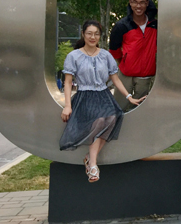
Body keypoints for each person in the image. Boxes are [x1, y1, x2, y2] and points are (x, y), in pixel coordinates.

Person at [60, 20, 145, 182]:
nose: (93, 37)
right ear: (83, 34)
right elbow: (68, 82)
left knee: (113, 117)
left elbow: (115, 78)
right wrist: (67, 106)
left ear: (100, 36)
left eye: (96, 34)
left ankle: (89, 158)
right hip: (85, 96)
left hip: (103, 95)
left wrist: (129, 96)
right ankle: (93, 165)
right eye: (89, 33)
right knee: (99, 121)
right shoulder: (73, 56)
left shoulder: (106, 55)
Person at [109, 0, 158, 111]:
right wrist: (124, 62)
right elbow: (114, 50)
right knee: (119, 108)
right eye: (135, 2)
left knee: (138, 109)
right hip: (125, 74)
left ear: (147, 3)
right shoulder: (121, 26)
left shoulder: (156, 25)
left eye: (142, 2)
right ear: (130, 3)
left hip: (146, 75)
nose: (138, 6)